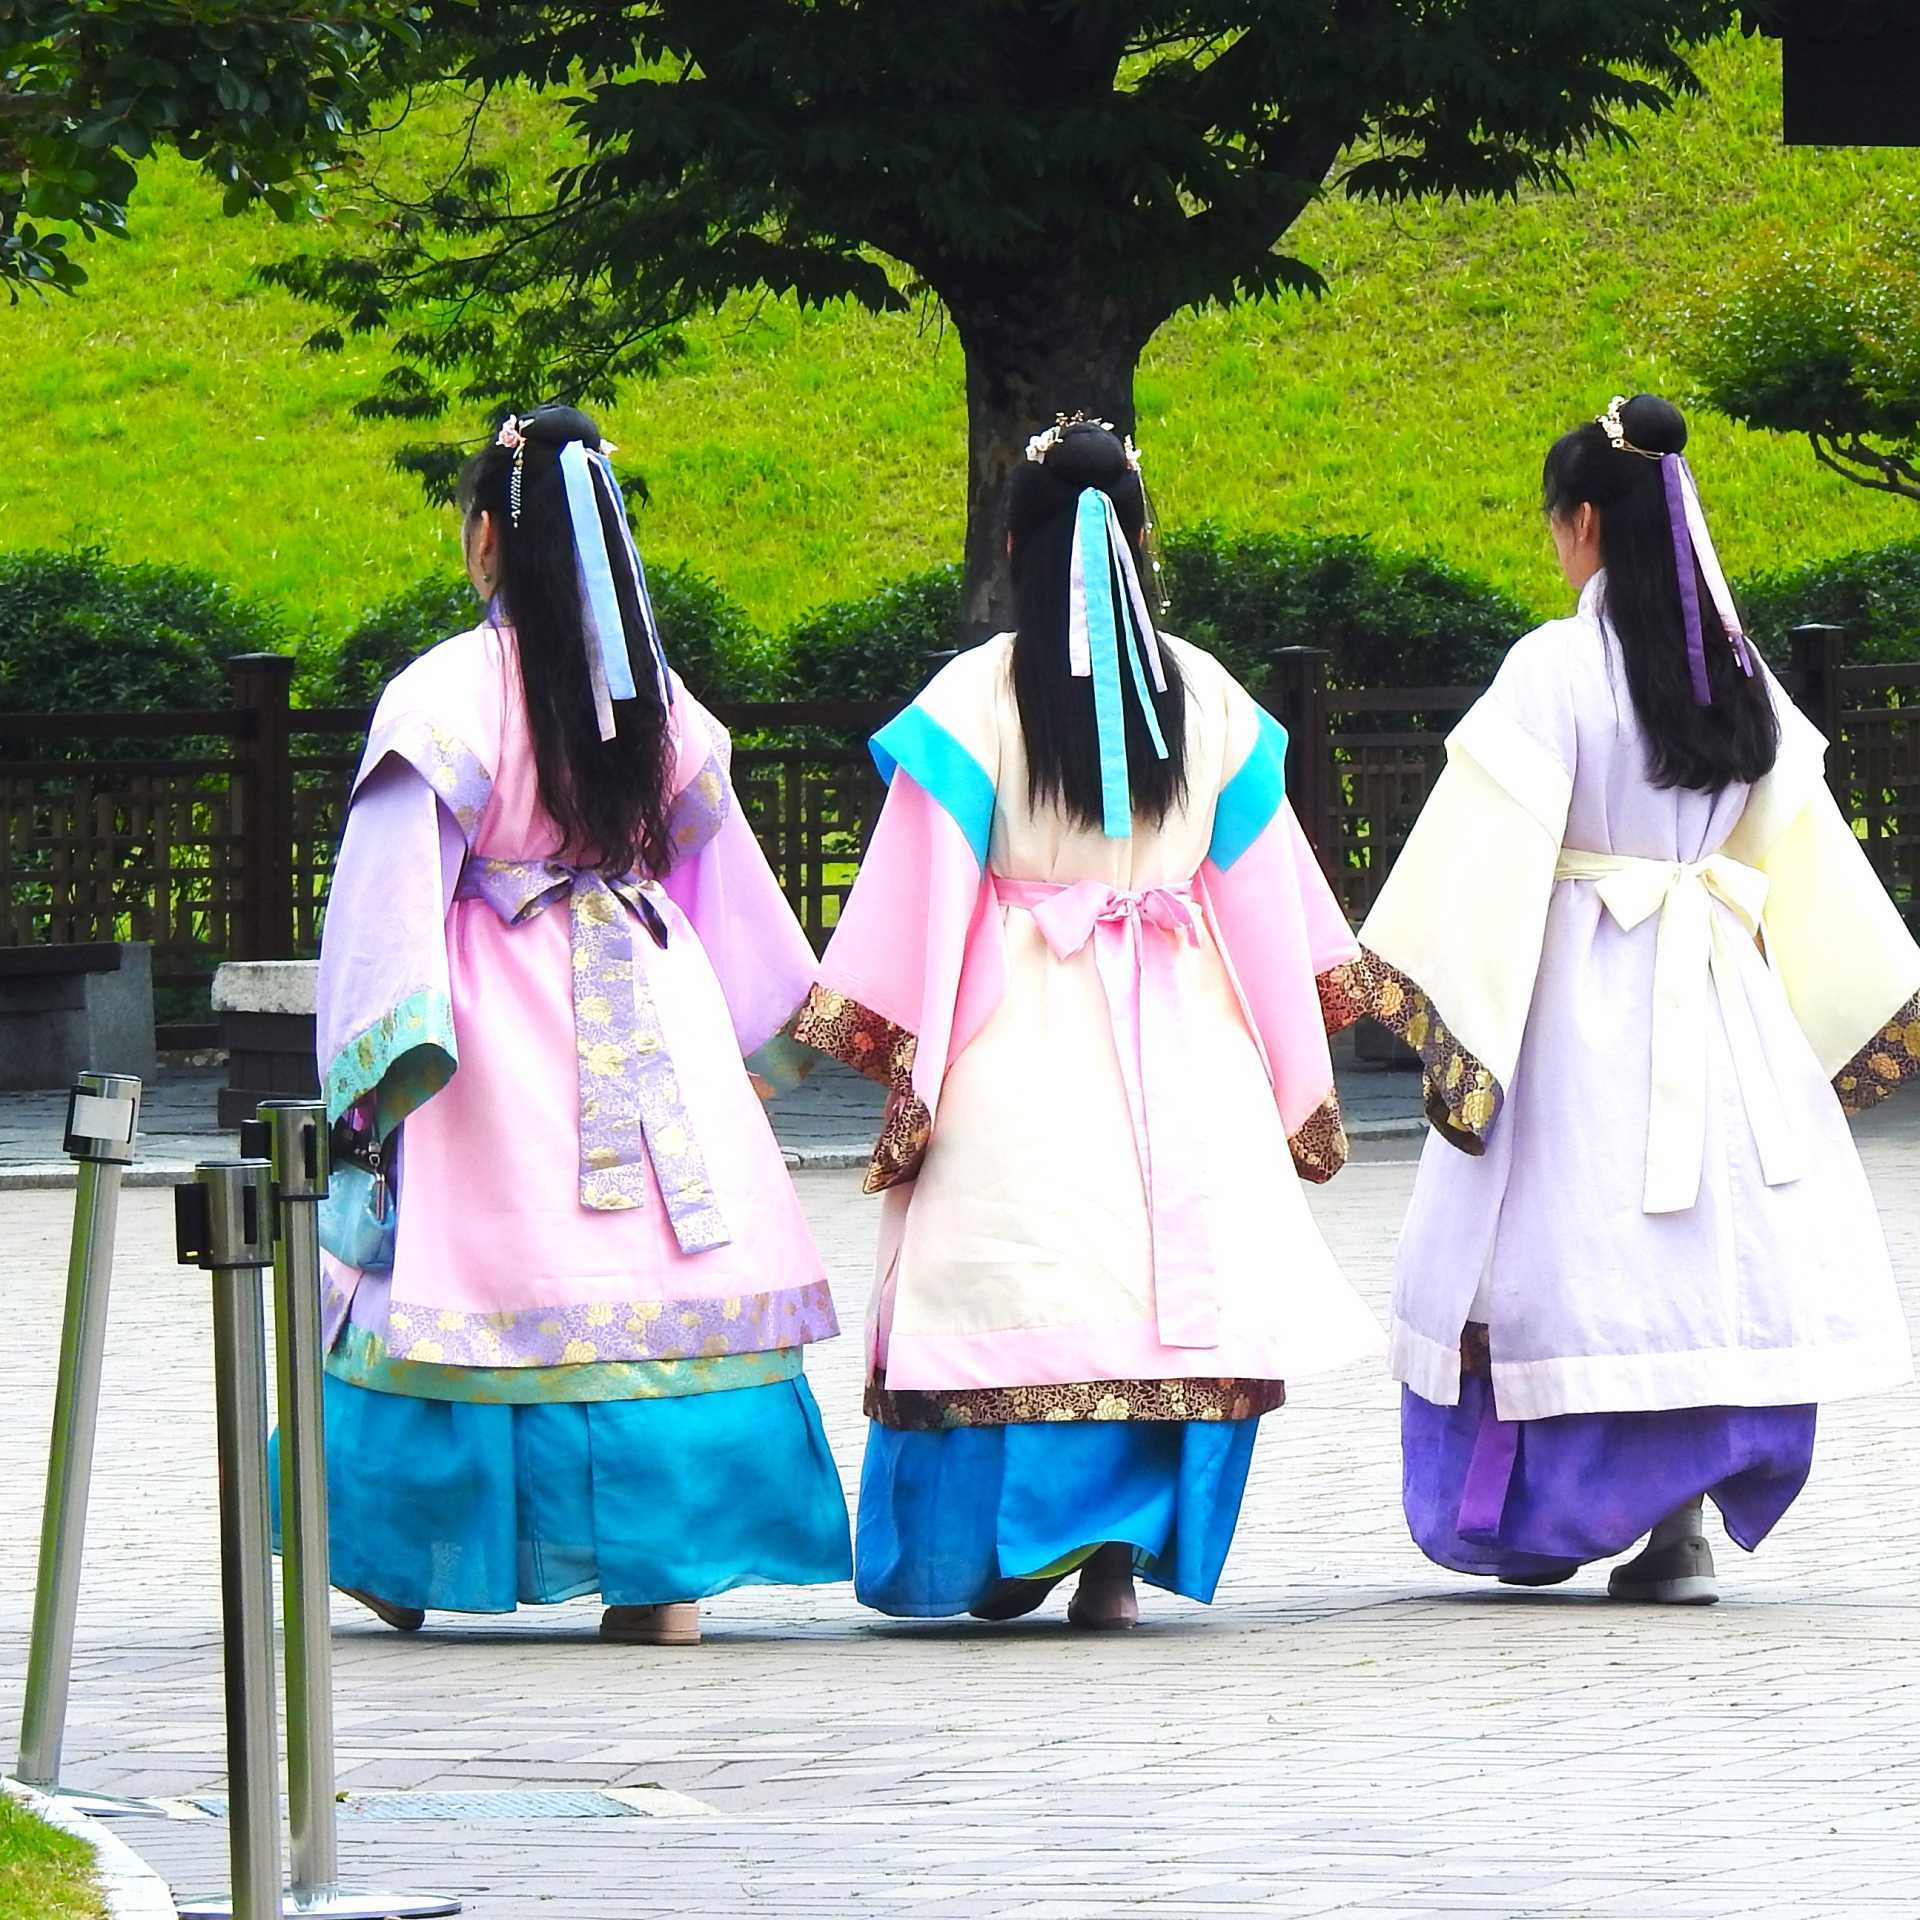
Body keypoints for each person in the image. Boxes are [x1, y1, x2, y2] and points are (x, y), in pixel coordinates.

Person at [796, 416, 1381, 1628]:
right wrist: (1298, 1082)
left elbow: (924, 891)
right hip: (1185, 1026)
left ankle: (1012, 1547)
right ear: (1138, 539)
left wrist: (906, 1060)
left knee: (1016, 1274)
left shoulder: (975, 698)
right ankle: (1115, 1559)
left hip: (1021, 1030)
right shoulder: (1206, 692)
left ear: (1016, 544)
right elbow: (1272, 904)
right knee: (1158, 1284)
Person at [291, 405, 851, 1646]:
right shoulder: (649, 696)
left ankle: (401, 1554)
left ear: (488, 538)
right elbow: (721, 868)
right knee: (665, 1270)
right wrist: (758, 1030)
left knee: (474, 1272)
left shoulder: (443, 696)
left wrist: (379, 1069)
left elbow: (389, 898)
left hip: (503, 1018)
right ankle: (665, 1581)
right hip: (654, 997)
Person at [1360, 393, 1920, 1603]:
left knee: (1571, 1240)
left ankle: (1570, 1503)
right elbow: (1799, 846)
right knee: (1705, 1242)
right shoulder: (1741, 674)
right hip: (1719, 987)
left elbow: (1484, 844)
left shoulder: (1553, 666)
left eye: (1558, 525)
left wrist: (1440, 1005)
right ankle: (1682, 1522)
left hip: (1578, 985)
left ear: (1584, 526)